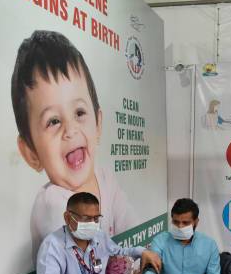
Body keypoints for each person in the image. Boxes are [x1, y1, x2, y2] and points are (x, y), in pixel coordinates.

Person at [11, 30, 137, 261]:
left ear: (98, 123)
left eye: (79, 112)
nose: (70, 130)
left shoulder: (106, 180)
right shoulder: (51, 202)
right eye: (53, 121)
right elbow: (86, 256)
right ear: (31, 153)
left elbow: (129, 230)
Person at [35, 192, 161, 274]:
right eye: (86, 218)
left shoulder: (99, 236)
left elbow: (119, 253)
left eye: (96, 218)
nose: (92, 224)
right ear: (67, 217)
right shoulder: (53, 245)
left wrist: (142, 251)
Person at [133, 199, 223, 274]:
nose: (180, 227)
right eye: (176, 222)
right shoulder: (160, 241)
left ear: (196, 222)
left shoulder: (209, 244)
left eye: (185, 223)